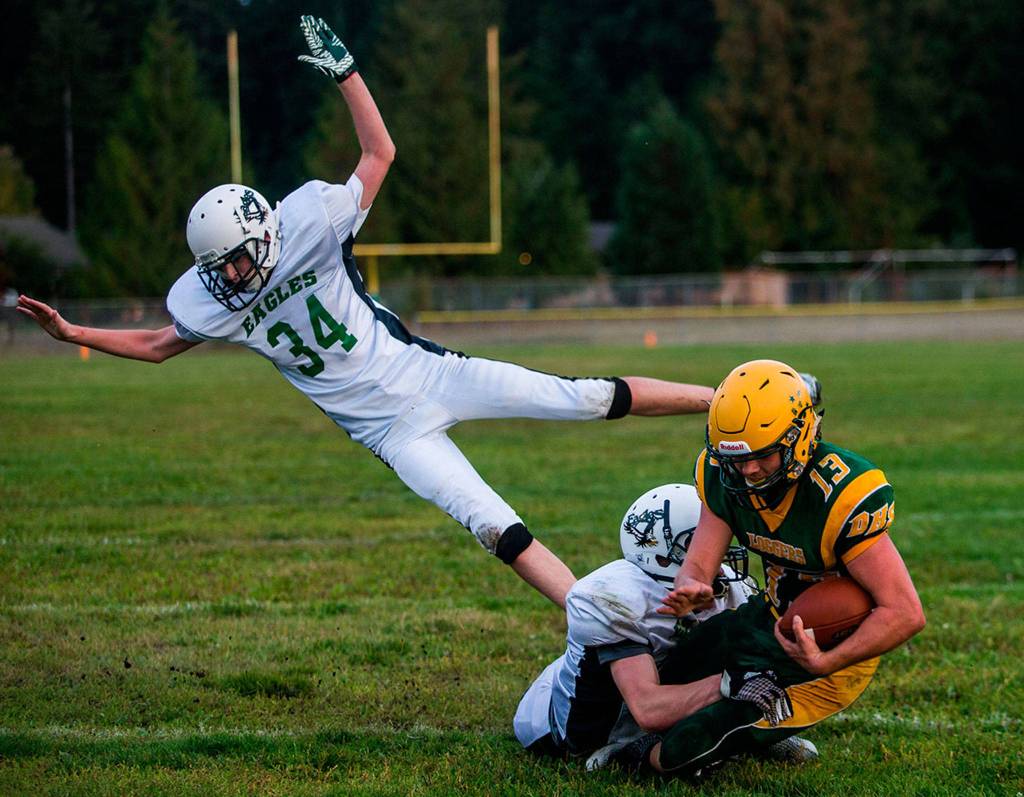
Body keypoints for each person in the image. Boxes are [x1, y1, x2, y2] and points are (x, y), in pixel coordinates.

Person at [15, 16, 716, 609]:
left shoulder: (311, 223)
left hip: (433, 374)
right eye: (218, 267)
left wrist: (346, 73)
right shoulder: (216, 303)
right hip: (392, 435)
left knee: (582, 398)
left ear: (263, 230)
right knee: (492, 524)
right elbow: (157, 342)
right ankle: (595, 618)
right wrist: (74, 332)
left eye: (234, 258)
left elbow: (379, 152)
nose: (230, 274)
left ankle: (726, 400)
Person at [609, 359, 926, 775]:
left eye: (763, 456)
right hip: (769, 619)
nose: (747, 470)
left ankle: (644, 755)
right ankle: (754, 730)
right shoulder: (727, 477)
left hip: (828, 653)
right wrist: (693, 585)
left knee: (684, 748)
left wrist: (826, 662)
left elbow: (905, 613)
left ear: (799, 437)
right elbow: (699, 565)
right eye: (736, 459)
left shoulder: (840, 496)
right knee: (673, 670)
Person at [514, 483, 817, 769]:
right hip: (573, 727)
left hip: (659, 679)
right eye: (698, 542)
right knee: (728, 670)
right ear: (660, 552)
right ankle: (626, 747)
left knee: (740, 636)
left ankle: (741, 732)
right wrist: (731, 683)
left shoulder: (726, 584)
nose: (715, 551)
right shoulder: (619, 599)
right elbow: (648, 708)